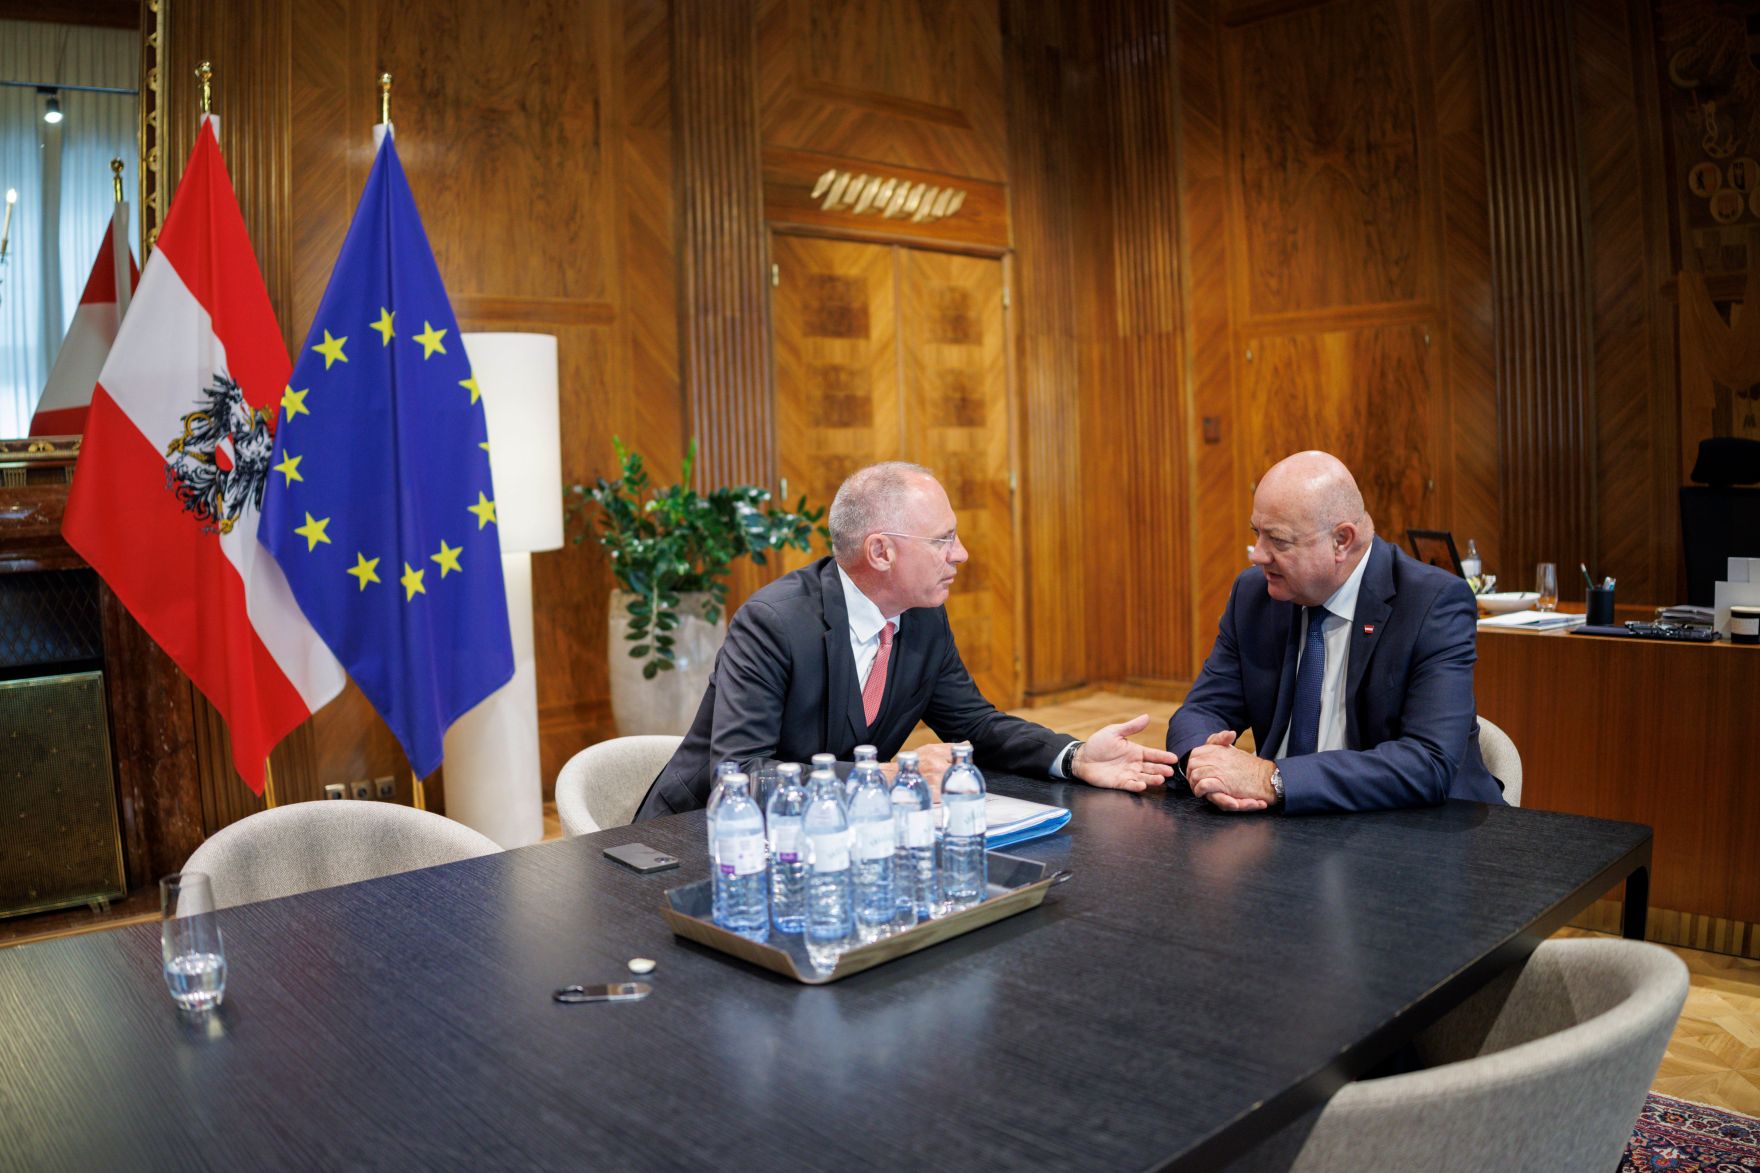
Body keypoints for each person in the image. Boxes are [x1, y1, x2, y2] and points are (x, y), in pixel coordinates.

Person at [633, 462, 1176, 819]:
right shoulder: (773, 624)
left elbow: (977, 727)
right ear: (881, 552)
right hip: (694, 843)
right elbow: (740, 776)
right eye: (943, 540)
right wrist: (889, 775)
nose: (960, 554)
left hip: (828, 839)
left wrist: (1075, 756)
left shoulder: (920, 617)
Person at [1166, 451, 1505, 813]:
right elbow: (1201, 709)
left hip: (1420, 831)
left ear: (1342, 540)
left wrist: (1273, 779)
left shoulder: (1431, 603)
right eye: (1256, 534)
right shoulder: (1255, 595)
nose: (1258, 555)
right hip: (1286, 833)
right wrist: (1206, 766)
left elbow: (1427, 762)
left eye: (1278, 541)